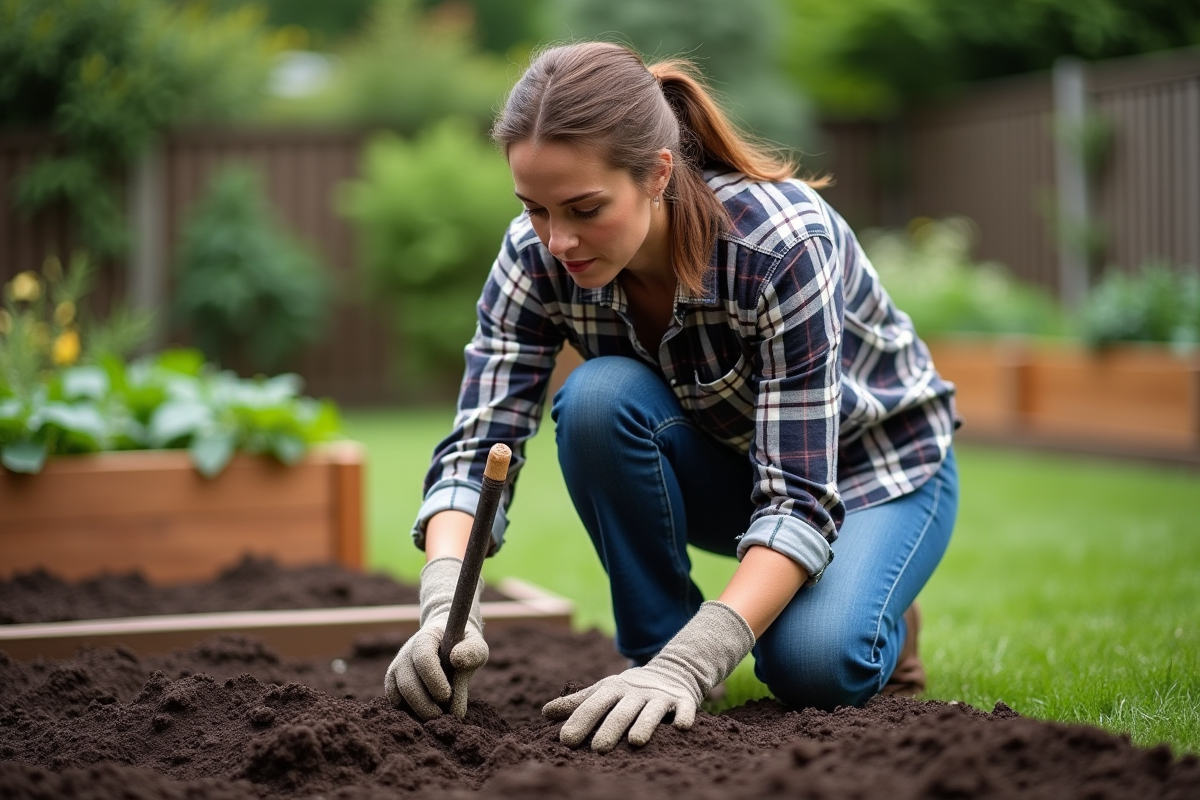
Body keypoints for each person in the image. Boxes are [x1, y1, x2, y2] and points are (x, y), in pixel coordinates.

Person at [384, 41, 960, 754]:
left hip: (878, 473)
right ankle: (655, 657)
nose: (558, 239)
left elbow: (799, 498)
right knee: (597, 400)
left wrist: (698, 659)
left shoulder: (780, 247)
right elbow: (477, 450)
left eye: (584, 208)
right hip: (741, 470)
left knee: (813, 666)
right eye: (534, 208)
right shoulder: (533, 258)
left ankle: (874, 608)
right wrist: (445, 604)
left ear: (657, 173)